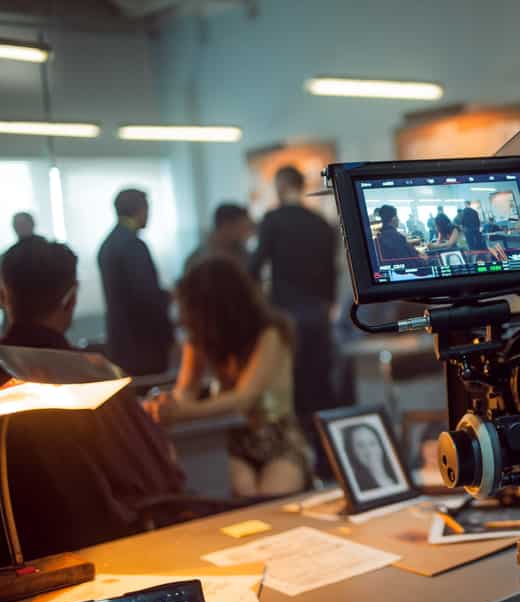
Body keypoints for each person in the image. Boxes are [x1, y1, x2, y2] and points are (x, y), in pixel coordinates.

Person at [0, 237, 185, 560]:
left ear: (4, 296)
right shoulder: (92, 376)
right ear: (71, 300)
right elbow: (158, 479)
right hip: (106, 550)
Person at [145, 256, 313, 497]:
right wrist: (166, 405)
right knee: (242, 497)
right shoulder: (200, 337)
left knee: (270, 498)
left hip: (278, 437)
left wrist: (183, 411)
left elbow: (244, 398)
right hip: (230, 439)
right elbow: (185, 391)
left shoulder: (270, 333)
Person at [249, 165, 337, 421]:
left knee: (291, 380)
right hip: (318, 311)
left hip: (284, 311)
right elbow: (332, 271)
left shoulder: (272, 220)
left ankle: (300, 443)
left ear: (280, 185)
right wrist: (328, 303)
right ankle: (326, 442)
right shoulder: (321, 223)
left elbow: (255, 266)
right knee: (319, 377)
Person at [98, 189, 174, 376]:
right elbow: (146, 297)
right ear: (141, 209)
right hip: (143, 343)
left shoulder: (108, 243)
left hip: (120, 340)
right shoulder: (133, 245)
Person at [184, 203, 255, 272]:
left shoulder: (243, 254)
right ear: (226, 226)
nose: (248, 233)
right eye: (243, 227)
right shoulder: (198, 261)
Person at [343, 423, 398, 493]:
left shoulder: (397, 474)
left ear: (381, 446)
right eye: (360, 446)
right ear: (352, 452)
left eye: (372, 443)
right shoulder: (356, 486)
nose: (369, 451)